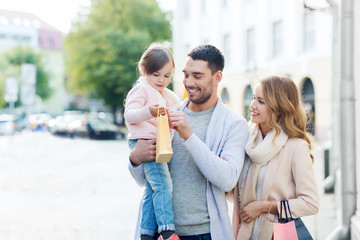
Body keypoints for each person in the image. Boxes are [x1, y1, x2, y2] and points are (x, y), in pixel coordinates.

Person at [128, 44, 249, 240]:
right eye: (185, 75)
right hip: (160, 232)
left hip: (204, 234)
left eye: (197, 76)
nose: (189, 82)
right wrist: (134, 158)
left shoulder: (234, 124)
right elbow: (144, 180)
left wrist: (188, 136)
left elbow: (227, 180)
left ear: (217, 77)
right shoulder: (168, 111)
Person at [230, 76, 319, 239]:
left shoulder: (295, 147)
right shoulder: (246, 141)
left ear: (279, 108)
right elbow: (233, 194)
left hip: (278, 234)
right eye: (253, 99)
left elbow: (310, 203)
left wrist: (265, 207)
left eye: (260, 101)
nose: (252, 105)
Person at [124, 43, 181, 240]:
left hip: (155, 143)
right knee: (164, 185)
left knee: (152, 188)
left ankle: (147, 232)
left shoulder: (164, 94)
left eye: (167, 76)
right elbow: (129, 115)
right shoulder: (141, 90)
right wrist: (149, 111)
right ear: (144, 70)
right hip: (146, 142)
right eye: (157, 74)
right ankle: (166, 228)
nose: (162, 80)